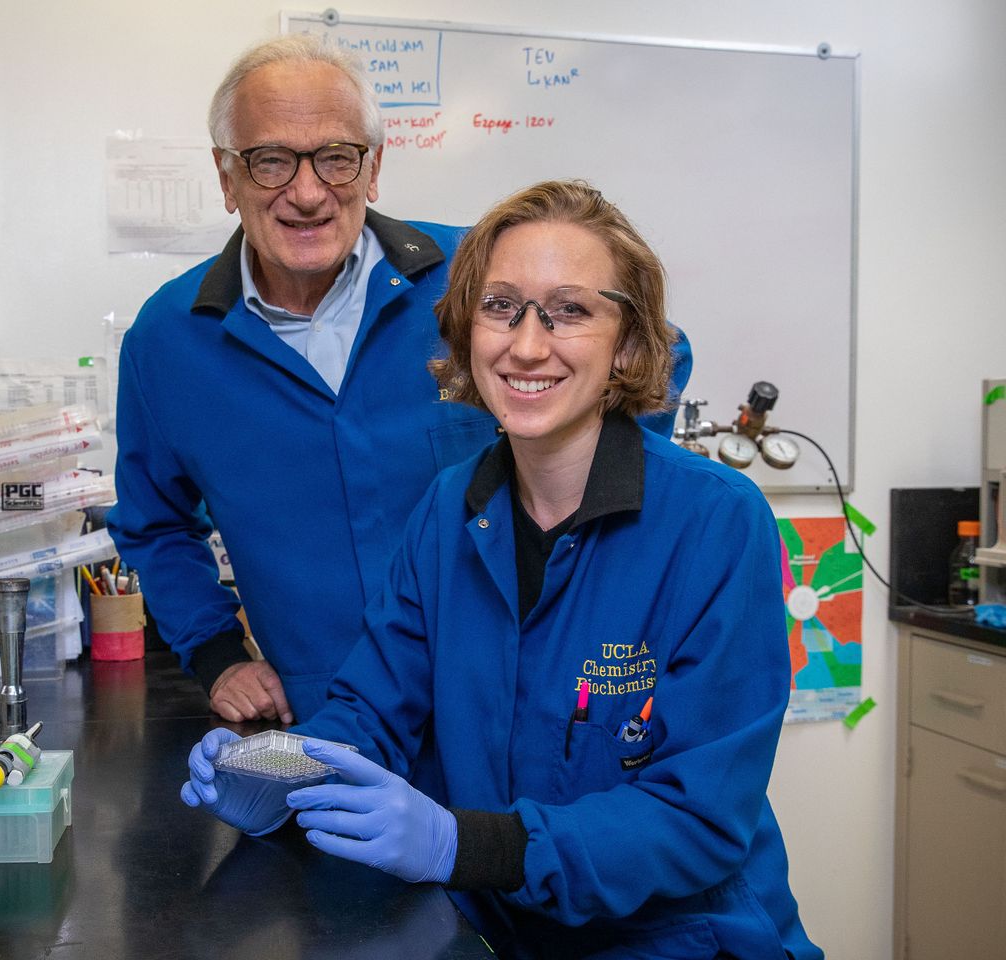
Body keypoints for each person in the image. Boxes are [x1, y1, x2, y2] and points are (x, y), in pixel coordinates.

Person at [182, 180, 821, 960]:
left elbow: (698, 819)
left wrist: (465, 847)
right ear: (464, 330)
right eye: (501, 306)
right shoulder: (451, 510)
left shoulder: (716, 521)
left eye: (571, 311)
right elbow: (371, 711)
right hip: (501, 934)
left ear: (627, 343)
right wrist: (277, 772)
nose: (526, 345)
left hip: (683, 940)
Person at [107, 35, 691, 728]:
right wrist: (215, 653)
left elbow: (656, 350)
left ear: (374, 166)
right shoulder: (170, 341)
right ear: (227, 177)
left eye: (336, 157)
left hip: (521, 705)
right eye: (269, 162)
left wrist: (590, 543)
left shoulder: (478, 278)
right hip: (334, 720)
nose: (306, 192)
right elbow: (155, 522)